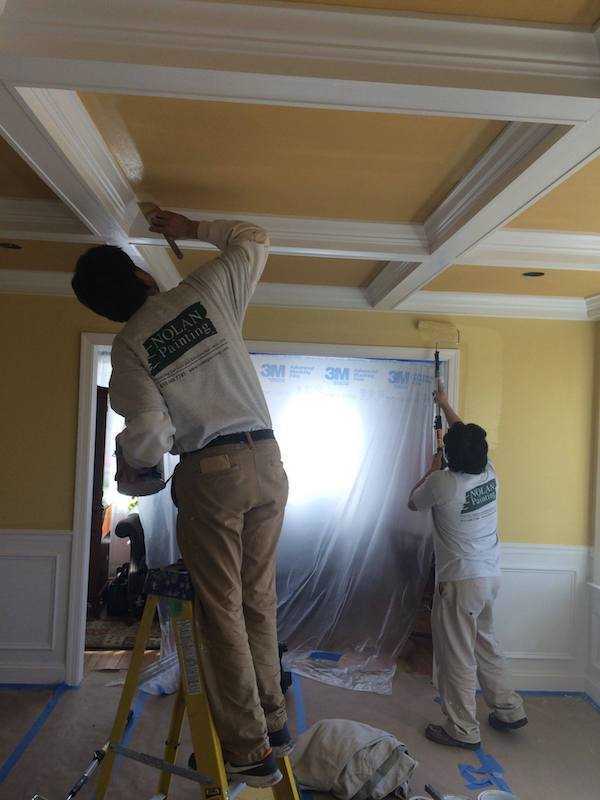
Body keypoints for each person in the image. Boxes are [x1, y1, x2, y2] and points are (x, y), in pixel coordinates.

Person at [71, 210, 290, 786]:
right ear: (143, 277)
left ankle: (248, 747)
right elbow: (255, 237)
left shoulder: (129, 346)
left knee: (220, 609)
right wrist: (188, 223)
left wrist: (138, 471)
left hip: (213, 471)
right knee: (256, 598)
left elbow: (148, 429)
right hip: (268, 460)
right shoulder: (204, 292)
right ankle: (274, 720)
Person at [407, 384, 527, 750]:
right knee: (486, 643)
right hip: (490, 577)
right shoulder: (489, 472)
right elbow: (466, 437)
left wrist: (430, 466)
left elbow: (413, 501)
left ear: (450, 460)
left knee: (457, 655)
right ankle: (508, 708)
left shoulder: (442, 483)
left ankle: (462, 729)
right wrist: (445, 404)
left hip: (459, 582)